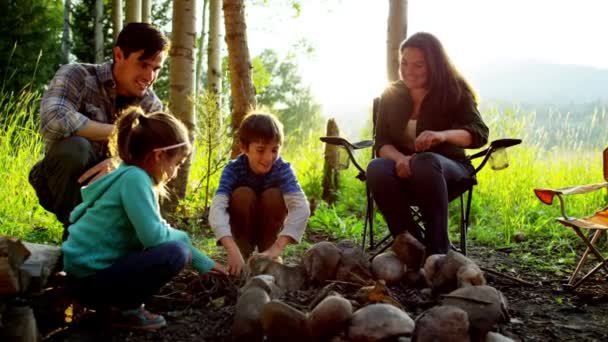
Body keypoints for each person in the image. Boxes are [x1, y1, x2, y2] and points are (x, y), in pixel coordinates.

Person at [61, 106, 227, 331]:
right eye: (177, 164)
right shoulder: (136, 180)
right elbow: (155, 237)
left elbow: (157, 229)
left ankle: (111, 305)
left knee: (177, 247)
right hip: (91, 279)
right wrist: (185, 241)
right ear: (159, 155)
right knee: (175, 253)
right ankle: (124, 310)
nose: (176, 172)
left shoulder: (128, 174)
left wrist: (204, 263)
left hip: (82, 274)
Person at [28, 22, 169, 240]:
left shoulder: (151, 106)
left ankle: (123, 243)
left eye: (156, 69)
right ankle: (76, 238)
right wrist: (120, 132)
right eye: (143, 65)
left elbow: (160, 158)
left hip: (114, 190)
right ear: (119, 54)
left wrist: (120, 164)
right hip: (62, 181)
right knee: (75, 148)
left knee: (143, 170)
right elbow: (53, 119)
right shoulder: (77, 75)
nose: (149, 77)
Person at [366, 32, 489, 257]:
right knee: (376, 167)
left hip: (448, 169)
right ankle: (412, 245)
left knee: (425, 161)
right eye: (404, 63)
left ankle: (438, 251)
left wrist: (442, 135)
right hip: (403, 169)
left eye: (418, 65)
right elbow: (381, 141)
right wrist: (400, 159)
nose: (408, 70)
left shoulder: (454, 91)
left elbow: (480, 133)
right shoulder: (391, 94)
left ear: (433, 65)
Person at [209, 112, 311, 276]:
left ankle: (269, 254)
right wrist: (231, 249)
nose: (268, 157)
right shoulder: (233, 169)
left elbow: (301, 208)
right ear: (244, 148)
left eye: (274, 150)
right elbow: (217, 208)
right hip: (242, 229)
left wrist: (277, 247)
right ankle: (242, 253)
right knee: (242, 194)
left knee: (274, 196)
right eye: (261, 150)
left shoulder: (282, 169)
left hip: (270, 231)